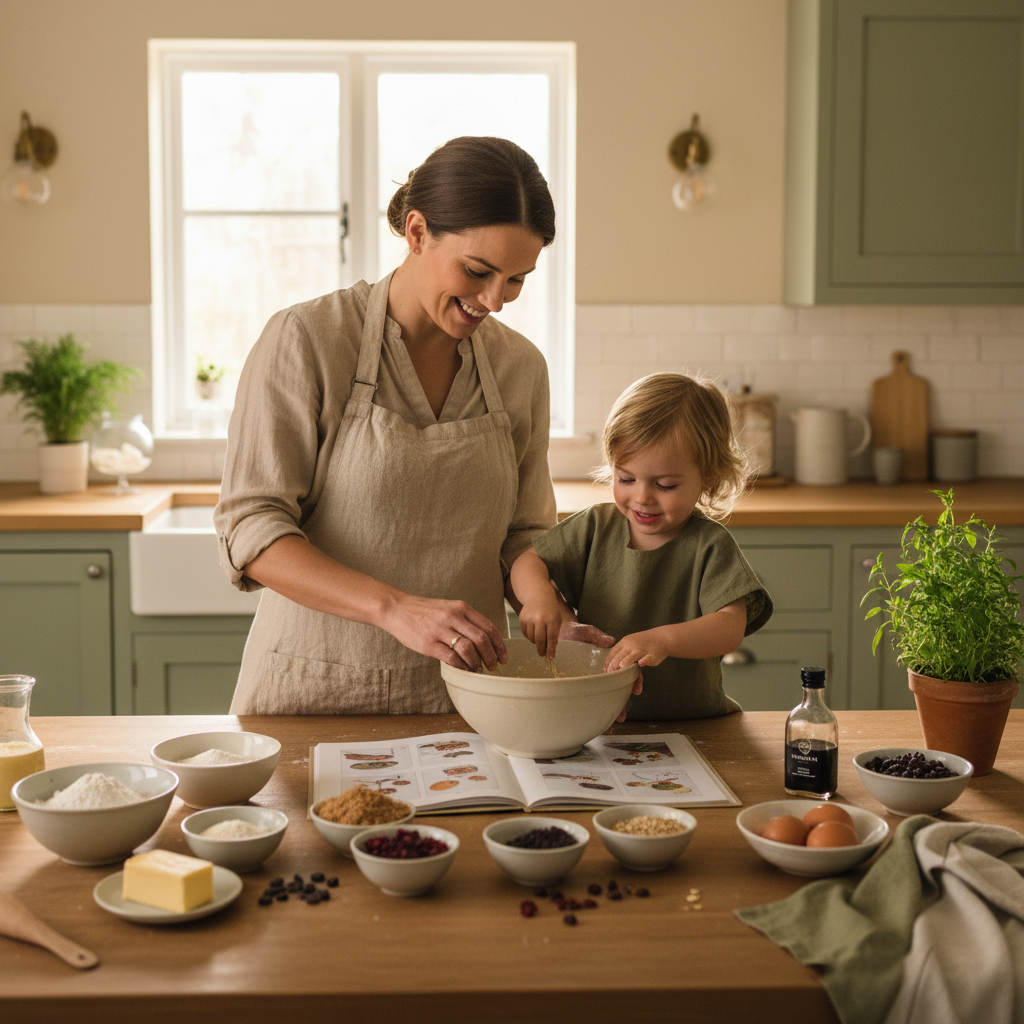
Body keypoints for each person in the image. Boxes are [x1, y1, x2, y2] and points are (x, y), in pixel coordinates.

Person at [216, 136, 580, 715]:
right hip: (312, 693)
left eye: (516, 279)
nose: (496, 300)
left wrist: (543, 603)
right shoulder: (308, 340)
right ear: (416, 232)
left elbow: (523, 530)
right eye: (478, 270)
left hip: (468, 702)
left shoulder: (520, 368)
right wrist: (392, 608)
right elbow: (251, 528)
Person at [509, 372, 774, 720]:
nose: (642, 497)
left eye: (664, 485)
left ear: (707, 478)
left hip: (695, 725)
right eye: (626, 479)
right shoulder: (594, 527)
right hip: (602, 723)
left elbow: (729, 627)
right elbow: (528, 563)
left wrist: (662, 641)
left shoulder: (710, 544)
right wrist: (539, 598)